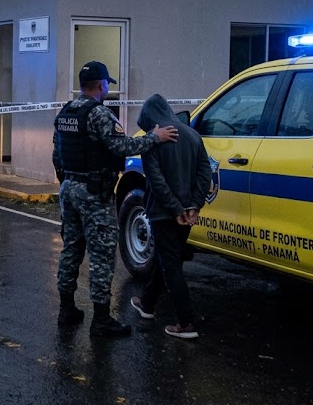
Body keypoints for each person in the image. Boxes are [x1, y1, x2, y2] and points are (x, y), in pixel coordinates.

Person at [52, 61, 178, 336]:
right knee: (102, 254)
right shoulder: (99, 114)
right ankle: (101, 320)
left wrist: (69, 181)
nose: (107, 88)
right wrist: (155, 137)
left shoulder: (66, 112)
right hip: (93, 194)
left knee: (71, 248)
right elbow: (123, 146)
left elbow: (57, 154)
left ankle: (66, 309)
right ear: (100, 85)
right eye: (106, 84)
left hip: (69, 188)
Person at [129, 94, 211, 339]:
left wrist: (175, 209)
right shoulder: (193, 135)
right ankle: (146, 303)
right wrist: (193, 205)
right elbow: (205, 172)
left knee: (171, 264)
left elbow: (156, 181)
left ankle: (186, 322)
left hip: (163, 212)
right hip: (186, 213)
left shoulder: (153, 141)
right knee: (168, 257)